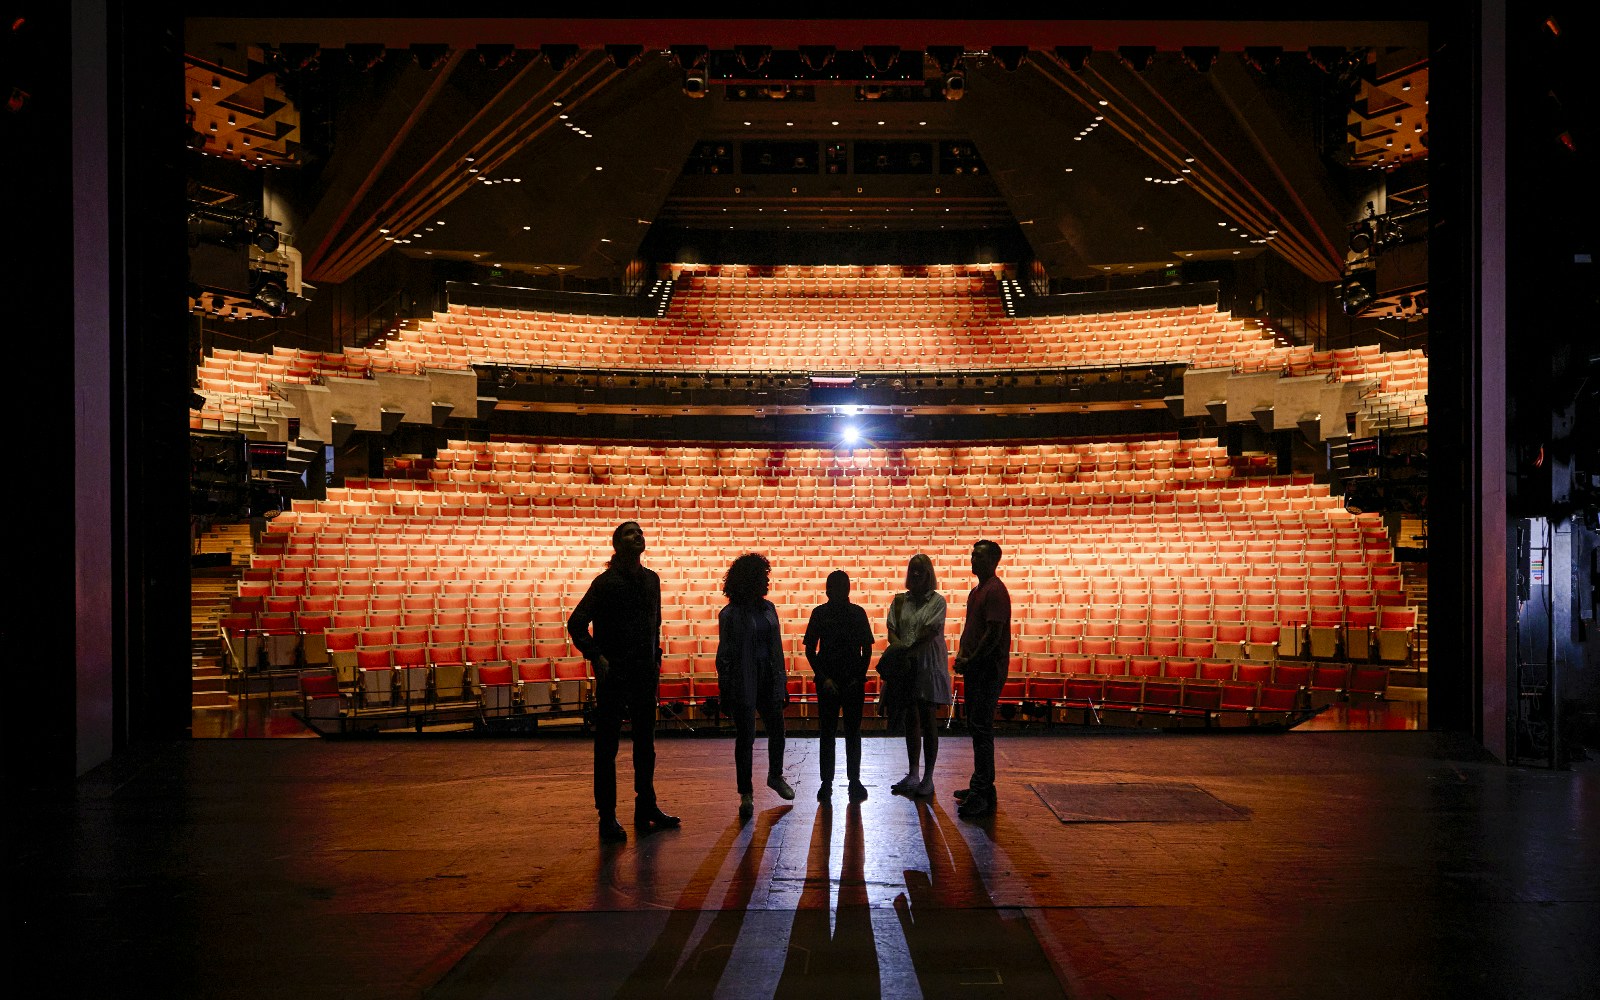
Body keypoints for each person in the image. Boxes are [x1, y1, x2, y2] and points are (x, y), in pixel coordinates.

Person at [568, 521, 680, 844]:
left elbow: (654, 623)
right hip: (614, 675)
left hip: (644, 674)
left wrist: (656, 657)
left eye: (640, 532)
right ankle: (607, 816)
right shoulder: (604, 584)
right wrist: (597, 656)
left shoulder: (652, 581)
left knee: (646, 746)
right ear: (617, 544)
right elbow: (576, 623)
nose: (638, 536)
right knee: (607, 748)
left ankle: (646, 806)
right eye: (630, 533)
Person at [716, 552, 794, 821]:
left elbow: (777, 646)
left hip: (768, 675)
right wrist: (725, 690)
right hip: (743, 678)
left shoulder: (769, 608)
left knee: (778, 730)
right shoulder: (729, 614)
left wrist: (782, 682)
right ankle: (746, 793)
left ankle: (775, 775)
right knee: (745, 738)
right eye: (762, 577)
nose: (767, 582)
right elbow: (723, 655)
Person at [803, 570, 875, 803]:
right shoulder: (855, 613)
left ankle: (832, 783)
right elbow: (866, 649)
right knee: (844, 732)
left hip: (837, 681)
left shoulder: (822, 613)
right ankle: (847, 781)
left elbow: (810, 650)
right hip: (841, 681)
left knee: (834, 732)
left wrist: (826, 678)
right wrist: (850, 677)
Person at [952, 539, 1012, 819]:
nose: (972, 559)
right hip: (976, 668)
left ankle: (982, 791)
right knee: (977, 728)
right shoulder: (977, 591)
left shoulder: (995, 591)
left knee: (982, 729)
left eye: (977, 556)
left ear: (992, 561)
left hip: (987, 670)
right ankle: (983, 787)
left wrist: (971, 658)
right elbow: (970, 629)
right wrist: (963, 655)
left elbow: (992, 636)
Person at [886, 553, 952, 799]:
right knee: (911, 719)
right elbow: (892, 628)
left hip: (927, 665)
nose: (915, 574)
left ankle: (928, 777)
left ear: (929, 574)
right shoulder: (900, 601)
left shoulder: (937, 602)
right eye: (912, 569)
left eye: (920, 571)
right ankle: (913, 773)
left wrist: (907, 650)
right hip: (906, 665)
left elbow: (928, 631)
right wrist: (902, 652)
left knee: (928, 720)